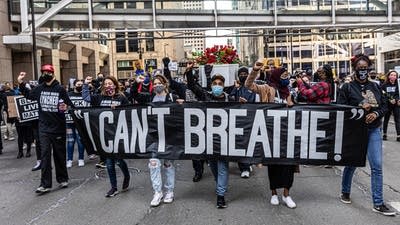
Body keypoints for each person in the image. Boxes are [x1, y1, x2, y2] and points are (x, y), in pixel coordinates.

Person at [338, 53, 395, 216]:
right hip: (356, 131)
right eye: (360, 68)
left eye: (365, 68)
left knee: (376, 166)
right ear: (354, 69)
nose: (363, 71)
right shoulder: (347, 87)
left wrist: (376, 114)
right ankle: (345, 191)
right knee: (353, 163)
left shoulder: (376, 86)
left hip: (373, 130)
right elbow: (341, 107)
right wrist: (359, 107)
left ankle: (378, 203)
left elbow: (384, 106)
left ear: (369, 68)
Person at [245, 61, 297, 209]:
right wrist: (254, 70)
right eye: (283, 75)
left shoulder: (289, 91)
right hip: (270, 133)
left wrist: (292, 104)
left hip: (287, 133)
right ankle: (274, 193)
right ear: (276, 76)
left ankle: (286, 194)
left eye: (287, 75)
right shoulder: (267, 89)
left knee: (289, 164)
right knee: (273, 165)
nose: (286, 77)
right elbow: (249, 86)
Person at [18, 64, 72, 194]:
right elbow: (28, 95)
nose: (45, 74)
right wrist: (20, 82)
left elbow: (69, 104)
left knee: (59, 155)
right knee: (45, 156)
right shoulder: (39, 88)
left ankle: (62, 178)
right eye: (43, 72)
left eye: (48, 72)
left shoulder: (60, 89)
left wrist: (66, 107)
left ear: (53, 73)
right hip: (44, 128)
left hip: (58, 127)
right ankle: (45, 184)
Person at [83, 75, 131, 197]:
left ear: (115, 85)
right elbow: (86, 98)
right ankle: (113, 187)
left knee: (119, 161)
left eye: (110, 83)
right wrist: (85, 85)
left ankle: (126, 176)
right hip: (105, 134)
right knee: (109, 162)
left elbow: (130, 113)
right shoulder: (99, 97)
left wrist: (118, 109)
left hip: (118, 133)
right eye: (106, 84)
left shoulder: (122, 98)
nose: (108, 85)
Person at [229, 66, 257, 178]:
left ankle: (248, 162)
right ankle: (244, 168)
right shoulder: (236, 88)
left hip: (251, 119)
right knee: (241, 144)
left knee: (249, 144)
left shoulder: (254, 87)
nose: (243, 76)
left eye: (245, 74)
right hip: (238, 121)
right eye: (241, 74)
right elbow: (230, 98)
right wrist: (236, 95)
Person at [66, 79, 87, 168]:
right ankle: (69, 160)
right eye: (78, 84)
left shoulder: (84, 95)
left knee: (80, 141)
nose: (80, 86)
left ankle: (81, 159)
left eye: (81, 85)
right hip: (69, 121)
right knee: (70, 141)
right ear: (74, 86)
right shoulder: (68, 95)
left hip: (80, 121)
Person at [381, 70, 400, 141]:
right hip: (387, 105)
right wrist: (388, 99)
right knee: (386, 119)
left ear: (396, 77)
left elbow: (398, 93)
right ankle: (384, 134)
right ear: (389, 76)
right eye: (392, 75)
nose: (393, 76)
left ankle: (398, 135)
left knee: (397, 120)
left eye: (395, 75)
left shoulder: (398, 84)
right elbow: (382, 94)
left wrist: (397, 99)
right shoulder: (384, 85)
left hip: (396, 105)